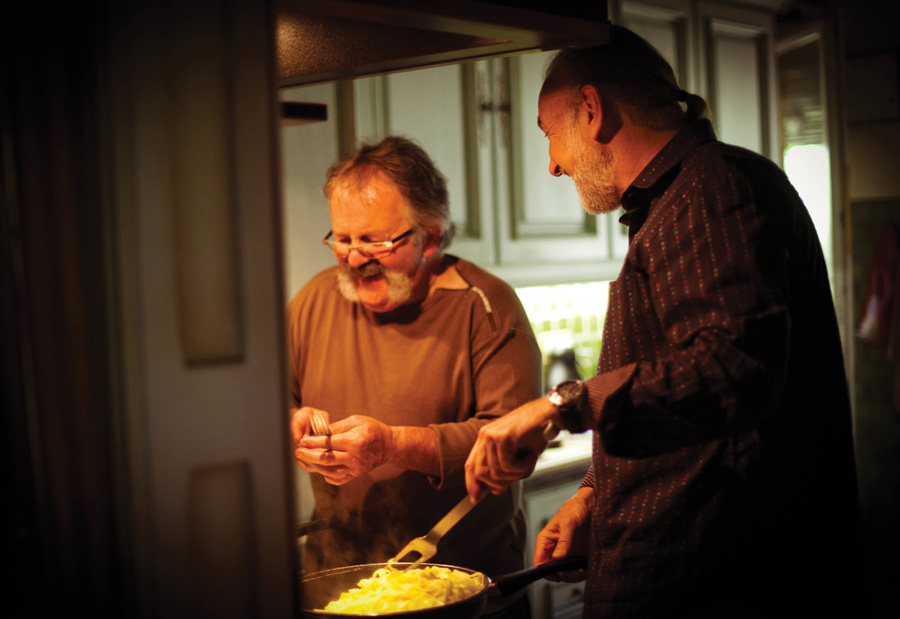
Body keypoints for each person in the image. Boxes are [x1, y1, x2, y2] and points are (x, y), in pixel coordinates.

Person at [464, 26, 869, 618]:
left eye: (550, 135)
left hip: (719, 585)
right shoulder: (678, 202)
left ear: (592, 110)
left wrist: (559, 405)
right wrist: (593, 496)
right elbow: (683, 399)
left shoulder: (711, 188)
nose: (552, 165)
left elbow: (732, 369)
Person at [288, 136, 541, 616]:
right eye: (343, 238)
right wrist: (291, 422)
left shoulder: (485, 306)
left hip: (464, 591)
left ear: (430, 235)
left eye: (375, 240)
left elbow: (515, 442)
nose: (355, 257)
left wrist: (389, 446)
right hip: (341, 589)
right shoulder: (313, 301)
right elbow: (255, 401)